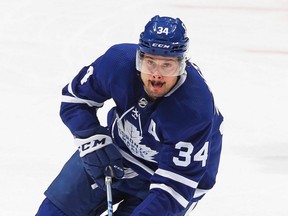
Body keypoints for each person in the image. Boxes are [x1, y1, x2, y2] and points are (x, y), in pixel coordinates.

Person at [36, 15, 224, 216]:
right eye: (150, 62)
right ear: (138, 58)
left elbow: (175, 186)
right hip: (118, 151)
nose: (157, 75)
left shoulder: (194, 107)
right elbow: (75, 100)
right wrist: (92, 138)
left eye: (167, 65)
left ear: (182, 64)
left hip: (173, 176)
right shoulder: (118, 62)